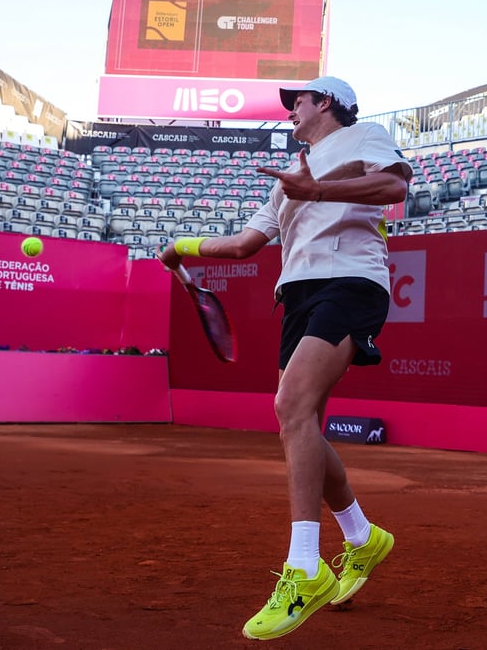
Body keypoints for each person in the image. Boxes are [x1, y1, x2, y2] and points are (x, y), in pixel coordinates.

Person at [158, 76, 411, 641]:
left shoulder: (363, 136)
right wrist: (184, 248)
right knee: (298, 422)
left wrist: (316, 191)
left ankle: (304, 568)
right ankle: (362, 536)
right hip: (296, 294)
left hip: (349, 282)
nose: (290, 110)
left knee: (291, 407)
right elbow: (247, 244)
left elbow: (394, 187)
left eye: (297, 101)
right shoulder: (287, 178)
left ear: (325, 103)